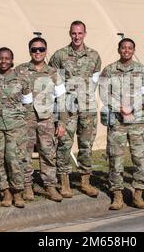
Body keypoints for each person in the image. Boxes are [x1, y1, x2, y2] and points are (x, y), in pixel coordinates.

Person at [49, 20, 101, 198]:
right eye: (74, 33)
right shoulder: (59, 56)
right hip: (67, 108)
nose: (77, 36)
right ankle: (64, 183)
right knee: (64, 144)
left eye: (80, 33)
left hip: (87, 108)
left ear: (85, 34)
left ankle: (85, 182)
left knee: (86, 145)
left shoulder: (94, 56)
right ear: (69, 33)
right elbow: (53, 82)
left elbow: (94, 81)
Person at [99, 38, 144, 210]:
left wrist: (132, 107)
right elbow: (104, 94)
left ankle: (138, 194)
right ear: (119, 49)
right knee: (116, 159)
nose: (126, 50)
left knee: (139, 159)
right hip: (117, 122)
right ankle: (117, 195)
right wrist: (120, 107)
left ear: (133, 50)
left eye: (130, 48)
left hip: (136, 122)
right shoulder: (109, 70)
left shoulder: (142, 70)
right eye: (123, 48)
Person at [15, 38, 66, 202]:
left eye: (41, 49)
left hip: (47, 120)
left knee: (48, 153)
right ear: (29, 51)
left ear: (45, 51)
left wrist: (62, 122)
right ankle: (27, 185)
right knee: (25, 153)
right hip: (26, 120)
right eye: (34, 49)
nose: (38, 52)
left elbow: (62, 99)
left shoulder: (53, 73)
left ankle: (50, 186)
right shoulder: (20, 71)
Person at [0, 47, 30, 208]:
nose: (3, 61)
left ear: (12, 59)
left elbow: (27, 102)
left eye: (7, 58)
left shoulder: (22, 79)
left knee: (14, 158)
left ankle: (17, 191)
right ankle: (5, 192)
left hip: (16, 126)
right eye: (0, 58)